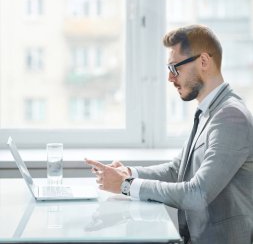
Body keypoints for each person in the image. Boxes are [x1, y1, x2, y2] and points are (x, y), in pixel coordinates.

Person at [86, 24, 253, 244]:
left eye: (175, 68)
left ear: (203, 61)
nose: (170, 78)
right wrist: (128, 172)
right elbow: (177, 171)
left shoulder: (231, 116)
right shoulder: (209, 112)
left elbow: (198, 193)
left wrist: (127, 185)